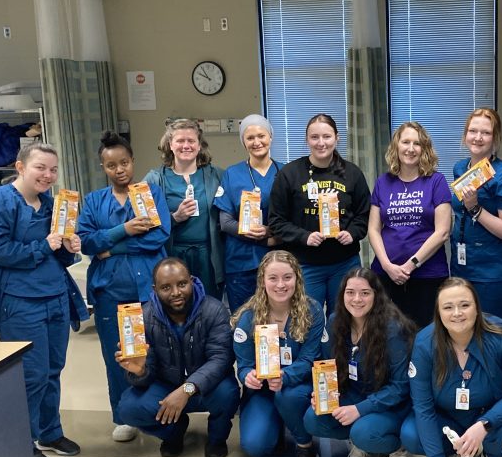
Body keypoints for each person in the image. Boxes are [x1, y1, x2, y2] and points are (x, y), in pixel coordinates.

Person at [0, 142, 89, 457]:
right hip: (19, 302)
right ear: (21, 166)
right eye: (40, 167)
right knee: (31, 375)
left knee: (53, 368)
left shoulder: (52, 204)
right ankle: (21, 441)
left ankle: (49, 432)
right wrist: (44, 246)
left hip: (54, 296)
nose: (47, 175)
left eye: (53, 169)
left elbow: (61, 254)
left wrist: (71, 246)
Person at [78, 131, 170, 443]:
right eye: (112, 165)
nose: (120, 170)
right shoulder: (93, 201)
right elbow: (87, 242)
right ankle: (123, 415)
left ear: (133, 162)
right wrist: (125, 229)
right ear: (103, 168)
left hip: (149, 289)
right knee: (117, 354)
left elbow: (159, 236)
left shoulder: (150, 194)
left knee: (156, 351)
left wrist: (113, 246)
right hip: (110, 292)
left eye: (125, 163)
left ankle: (159, 409)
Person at [402, 278, 502, 457]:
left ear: (477, 308)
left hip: (491, 419)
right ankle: (455, 453)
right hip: (448, 419)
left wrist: (484, 426)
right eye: (448, 307)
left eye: (465, 305)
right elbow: (423, 406)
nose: (457, 313)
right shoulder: (424, 343)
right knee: (411, 434)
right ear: (438, 313)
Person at [115, 257, 239, 457]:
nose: (175, 293)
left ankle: (217, 439)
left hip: (203, 387)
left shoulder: (214, 310)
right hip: (166, 387)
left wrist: (187, 389)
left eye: (182, 284)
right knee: (128, 408)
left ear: (191, 280)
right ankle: (173, 432)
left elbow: (221, 359)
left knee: (228, 391)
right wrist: (139, 371)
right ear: (155, 289)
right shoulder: (143, 318)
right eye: (166, 287)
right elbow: (146, 376)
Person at [304, 268, 417, 457]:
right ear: (342, 295)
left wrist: (359, 409)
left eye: (365, 293)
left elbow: (401, 386)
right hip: (354, 394)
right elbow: (329, 366)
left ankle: (398, 448)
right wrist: (322, 393)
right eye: (350, 292)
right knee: (313, 418)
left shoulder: (392, 328)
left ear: (376, 295)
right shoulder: (336, 320)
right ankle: (361, 441)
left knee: (363, 433)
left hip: (390, 403)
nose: (357, 299)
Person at [231, 250, 326, 457]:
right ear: (262, 281)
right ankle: (278, 424)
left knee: (288, 396)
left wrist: (287, 375)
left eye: (287, 277)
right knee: (256, 445)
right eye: (273, 278)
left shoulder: (312, 311)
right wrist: (248, 376)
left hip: (296, 388)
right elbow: (242, 365)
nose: (281, 285)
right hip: (262, 391)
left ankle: (306, 446)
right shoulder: (249, 317)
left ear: (297, 279)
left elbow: (310, 359)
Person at [269, 114, 371, 315]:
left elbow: (365, 214)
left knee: (346, 319)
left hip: (344, 263)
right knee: (307, 319)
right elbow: (276, 220)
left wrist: (353, 232)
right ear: (307, 140)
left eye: (327, 136)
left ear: (337, 138)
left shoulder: (353, 174)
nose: (321, 143)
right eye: (314, 137)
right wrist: (304, 236)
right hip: (305, 264)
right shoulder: (289, 174)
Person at [368, 121, 451, 327]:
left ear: (425, 149)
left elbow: (442, 232)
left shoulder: (436, 181)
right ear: (397, 146)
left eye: (417, 143)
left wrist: (409, 265)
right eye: (406, 142)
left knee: (425, 335)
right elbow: (373, 228)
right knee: (386, 333)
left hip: (427, 275)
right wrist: (388, 266)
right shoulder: (383, 182)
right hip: (385, 274)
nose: (411, 149)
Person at [450, 108, 502, 322]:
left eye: (486, 132)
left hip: (493, 273)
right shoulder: (460, 168)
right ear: (465, 135)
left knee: (492, 335)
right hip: (462, 267)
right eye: (473, 131)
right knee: (461, 330)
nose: (478, 137)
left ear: (496, 138)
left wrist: (476, 208)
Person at [144, 119, 225, 300]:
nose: (186, 145)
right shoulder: (155, 179)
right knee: (176, 306)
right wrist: (174, 218)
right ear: (170, 144)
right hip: (173, 255)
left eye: (191, 141)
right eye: (180, 141)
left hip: (208, 256)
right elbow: (143, 222)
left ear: (199, 145)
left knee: (208, 306)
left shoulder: (216, 175)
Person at [214, 114, 282, 310]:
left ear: (271, 137)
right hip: (241, 263)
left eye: (261, 136)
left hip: (277, 260)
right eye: (250, 138)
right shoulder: (232, 174)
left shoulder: (285, 173)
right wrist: (258, 236)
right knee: (244, 319)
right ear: (243, 142)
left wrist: (268, 232)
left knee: (278, 318)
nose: (256, 142)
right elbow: (225, 222)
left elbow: (293, 219)